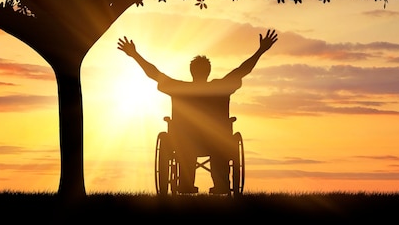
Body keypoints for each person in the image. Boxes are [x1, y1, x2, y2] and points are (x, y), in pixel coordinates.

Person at [117, 29, 278, 194]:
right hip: (216, 140)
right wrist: (260, 51)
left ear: (191, 71)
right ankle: (221, 183)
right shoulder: (220, 88)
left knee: (187, 142)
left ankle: (186, 183)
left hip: (184, 140)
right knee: (218, 142)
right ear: (208, 71)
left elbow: (154, 74)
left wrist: (135, 55)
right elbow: (242, 70)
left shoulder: (179, 88)